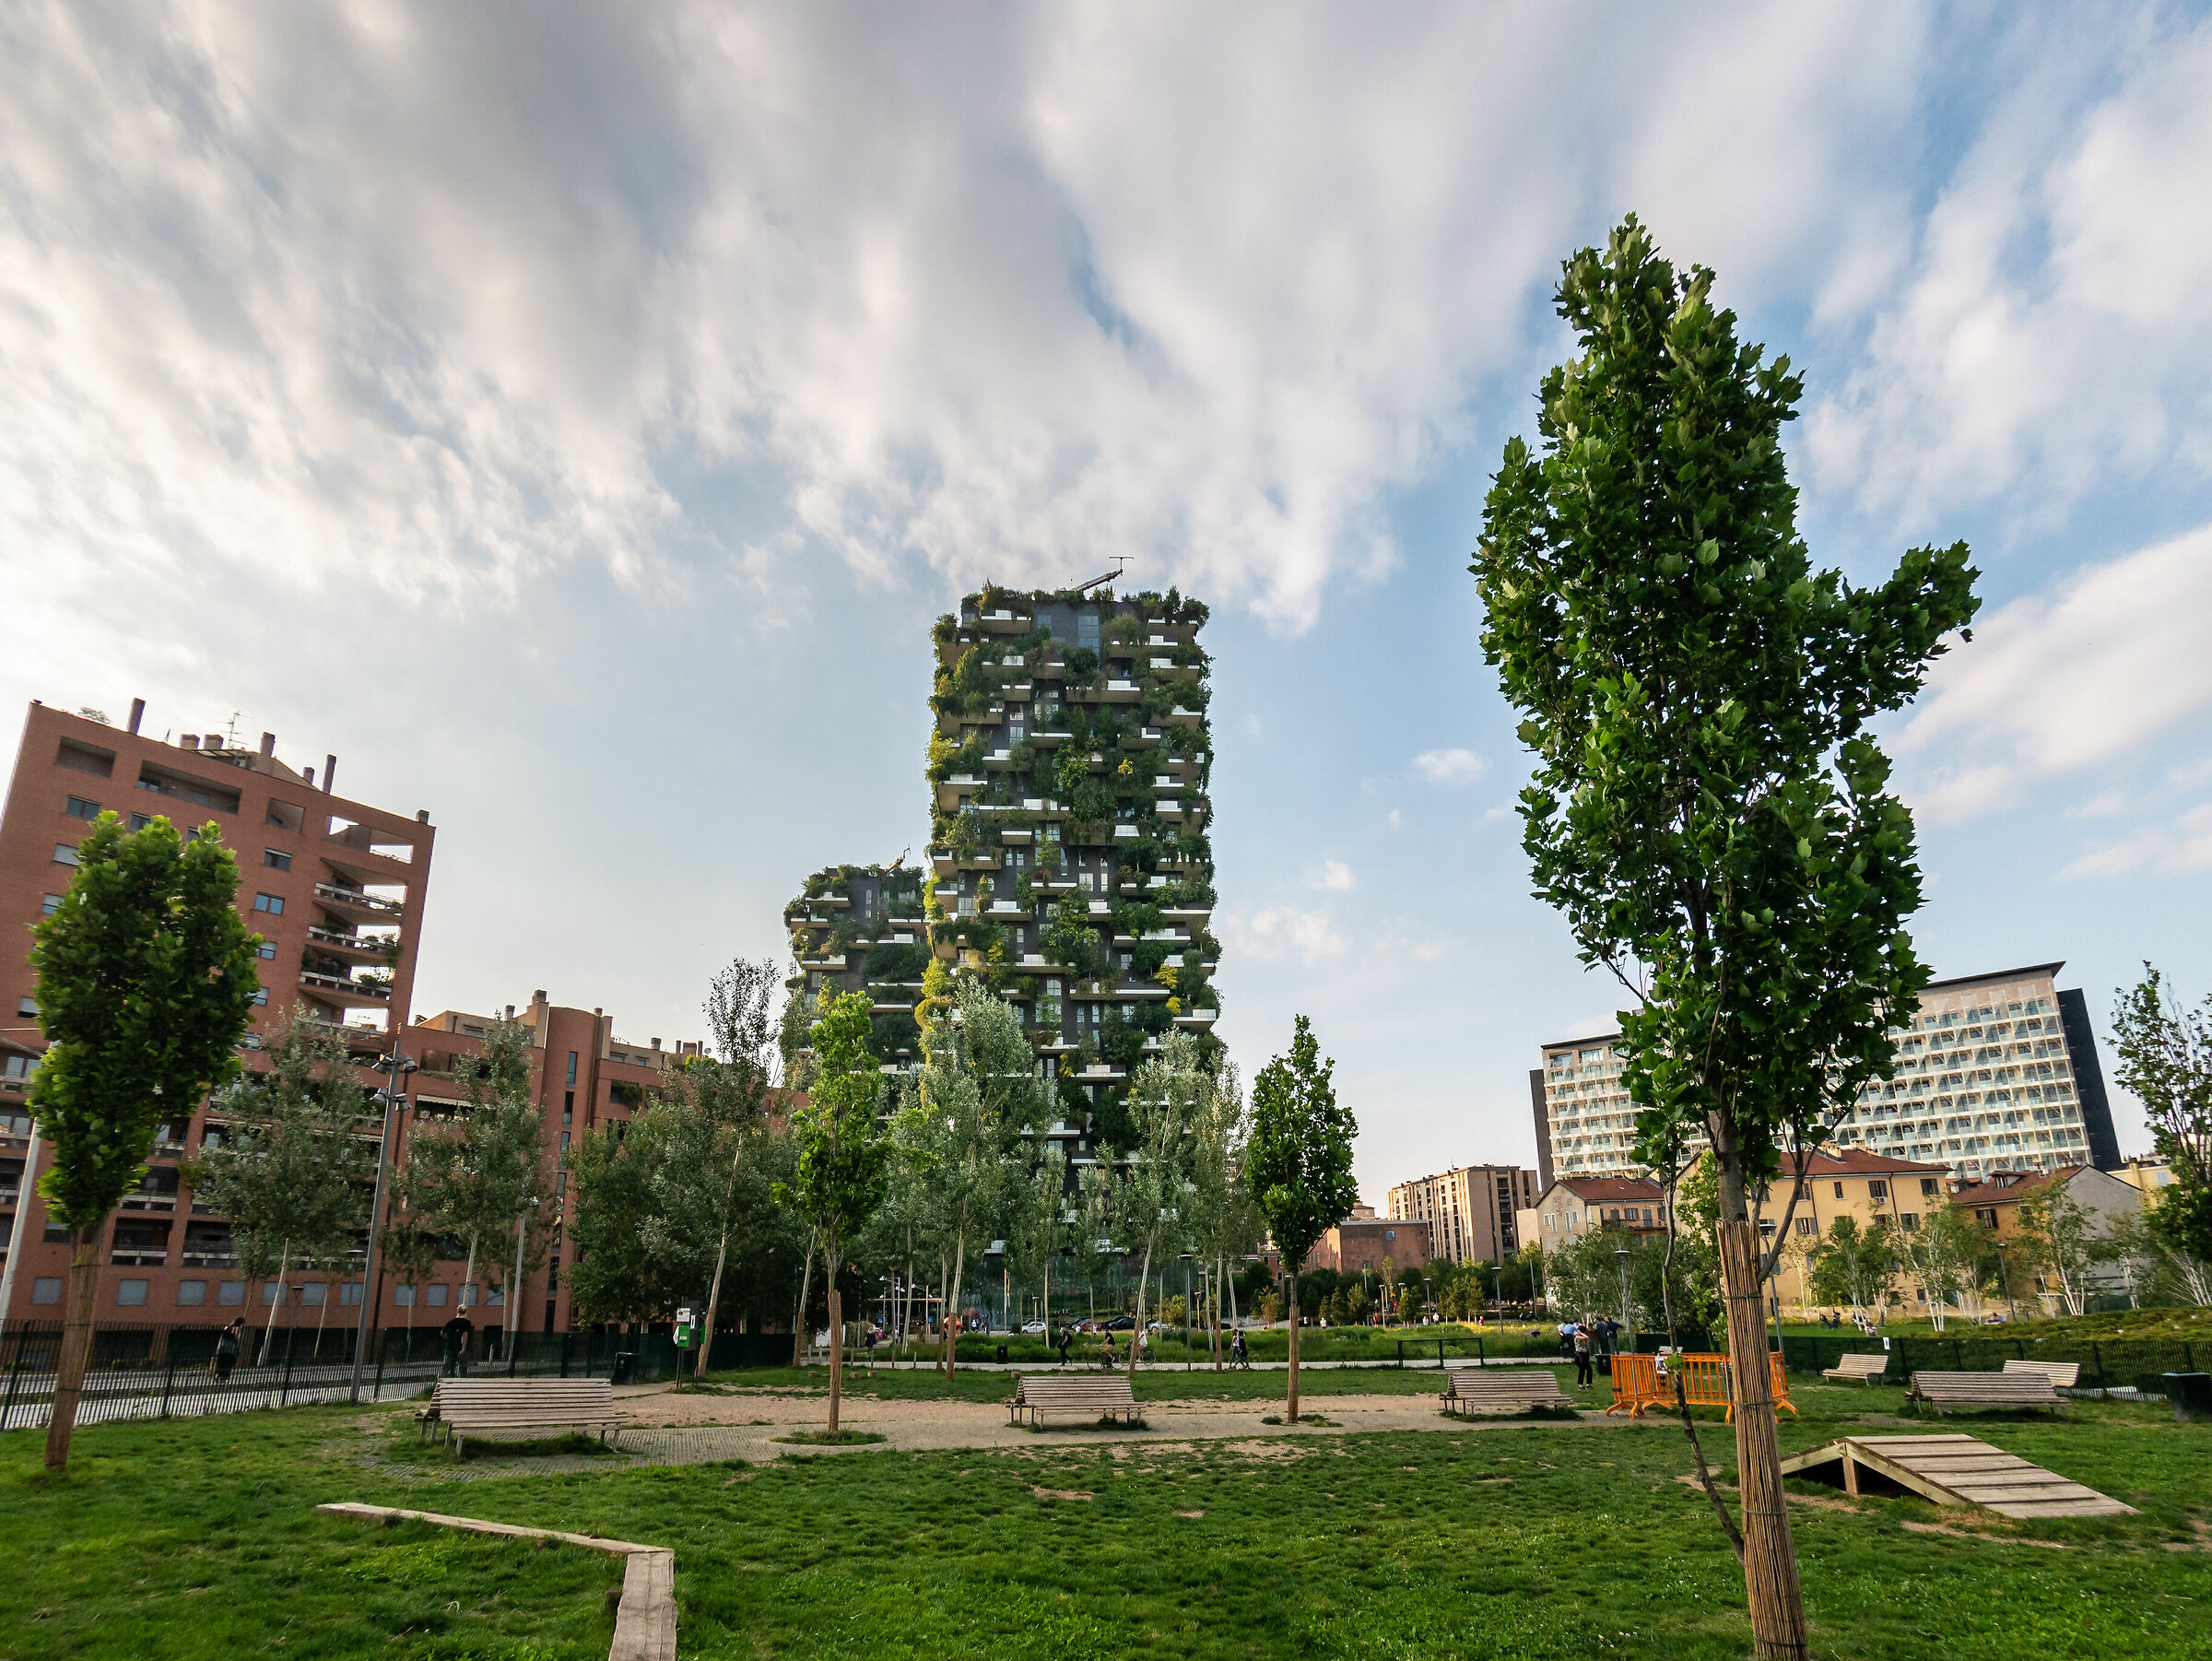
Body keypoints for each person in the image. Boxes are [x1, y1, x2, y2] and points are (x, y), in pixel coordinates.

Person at [441, 1309, 476, 1377]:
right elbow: (465, 1335)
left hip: (450, 1346)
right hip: (461, 1348)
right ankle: (461, 1380)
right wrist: (464, 1347)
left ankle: (444, 1378)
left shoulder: (450, 1322)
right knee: (463, 1366)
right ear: (465, 1312)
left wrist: (449, 1339)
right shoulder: (467, 1323)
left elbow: (443, 1333)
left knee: (447, 1365)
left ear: (457, 1311)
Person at [211, 1316, 243, 1382]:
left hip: (223, 1351)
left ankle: (219, 1377)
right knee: (227, 1367)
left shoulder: (228, 1329)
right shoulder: (237, 1330)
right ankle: (222, 1378)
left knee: (221, 1366)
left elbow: (222, 1339)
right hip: (230, 1351)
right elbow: (237, 1341)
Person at [1572, 1320, 1594, 1388]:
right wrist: (1580, 1332)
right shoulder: (1577, 1337)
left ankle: (1587, 1384)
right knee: (1583, 1369)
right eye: (1585, 1332)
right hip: (1580, 1355)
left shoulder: (1581, 1336)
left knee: (1588, 1369)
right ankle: (1581, 1384)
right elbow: (1587, 1337)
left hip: (1584, 1354)